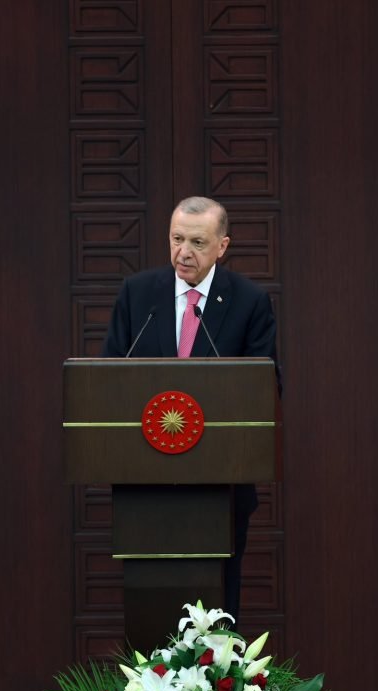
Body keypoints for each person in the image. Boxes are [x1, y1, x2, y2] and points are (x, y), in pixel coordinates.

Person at [101, 195, 278, 621]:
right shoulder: (139, 294)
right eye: (177, 239)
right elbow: (106, 379)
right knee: (149, 609)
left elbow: (265, 388)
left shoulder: (249, 301)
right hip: (145, 485)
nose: (184, 252)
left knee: (218, 606)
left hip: (221, 487)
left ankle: (216, 683)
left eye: (198, 242)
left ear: (222, 245)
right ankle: (146, 689)